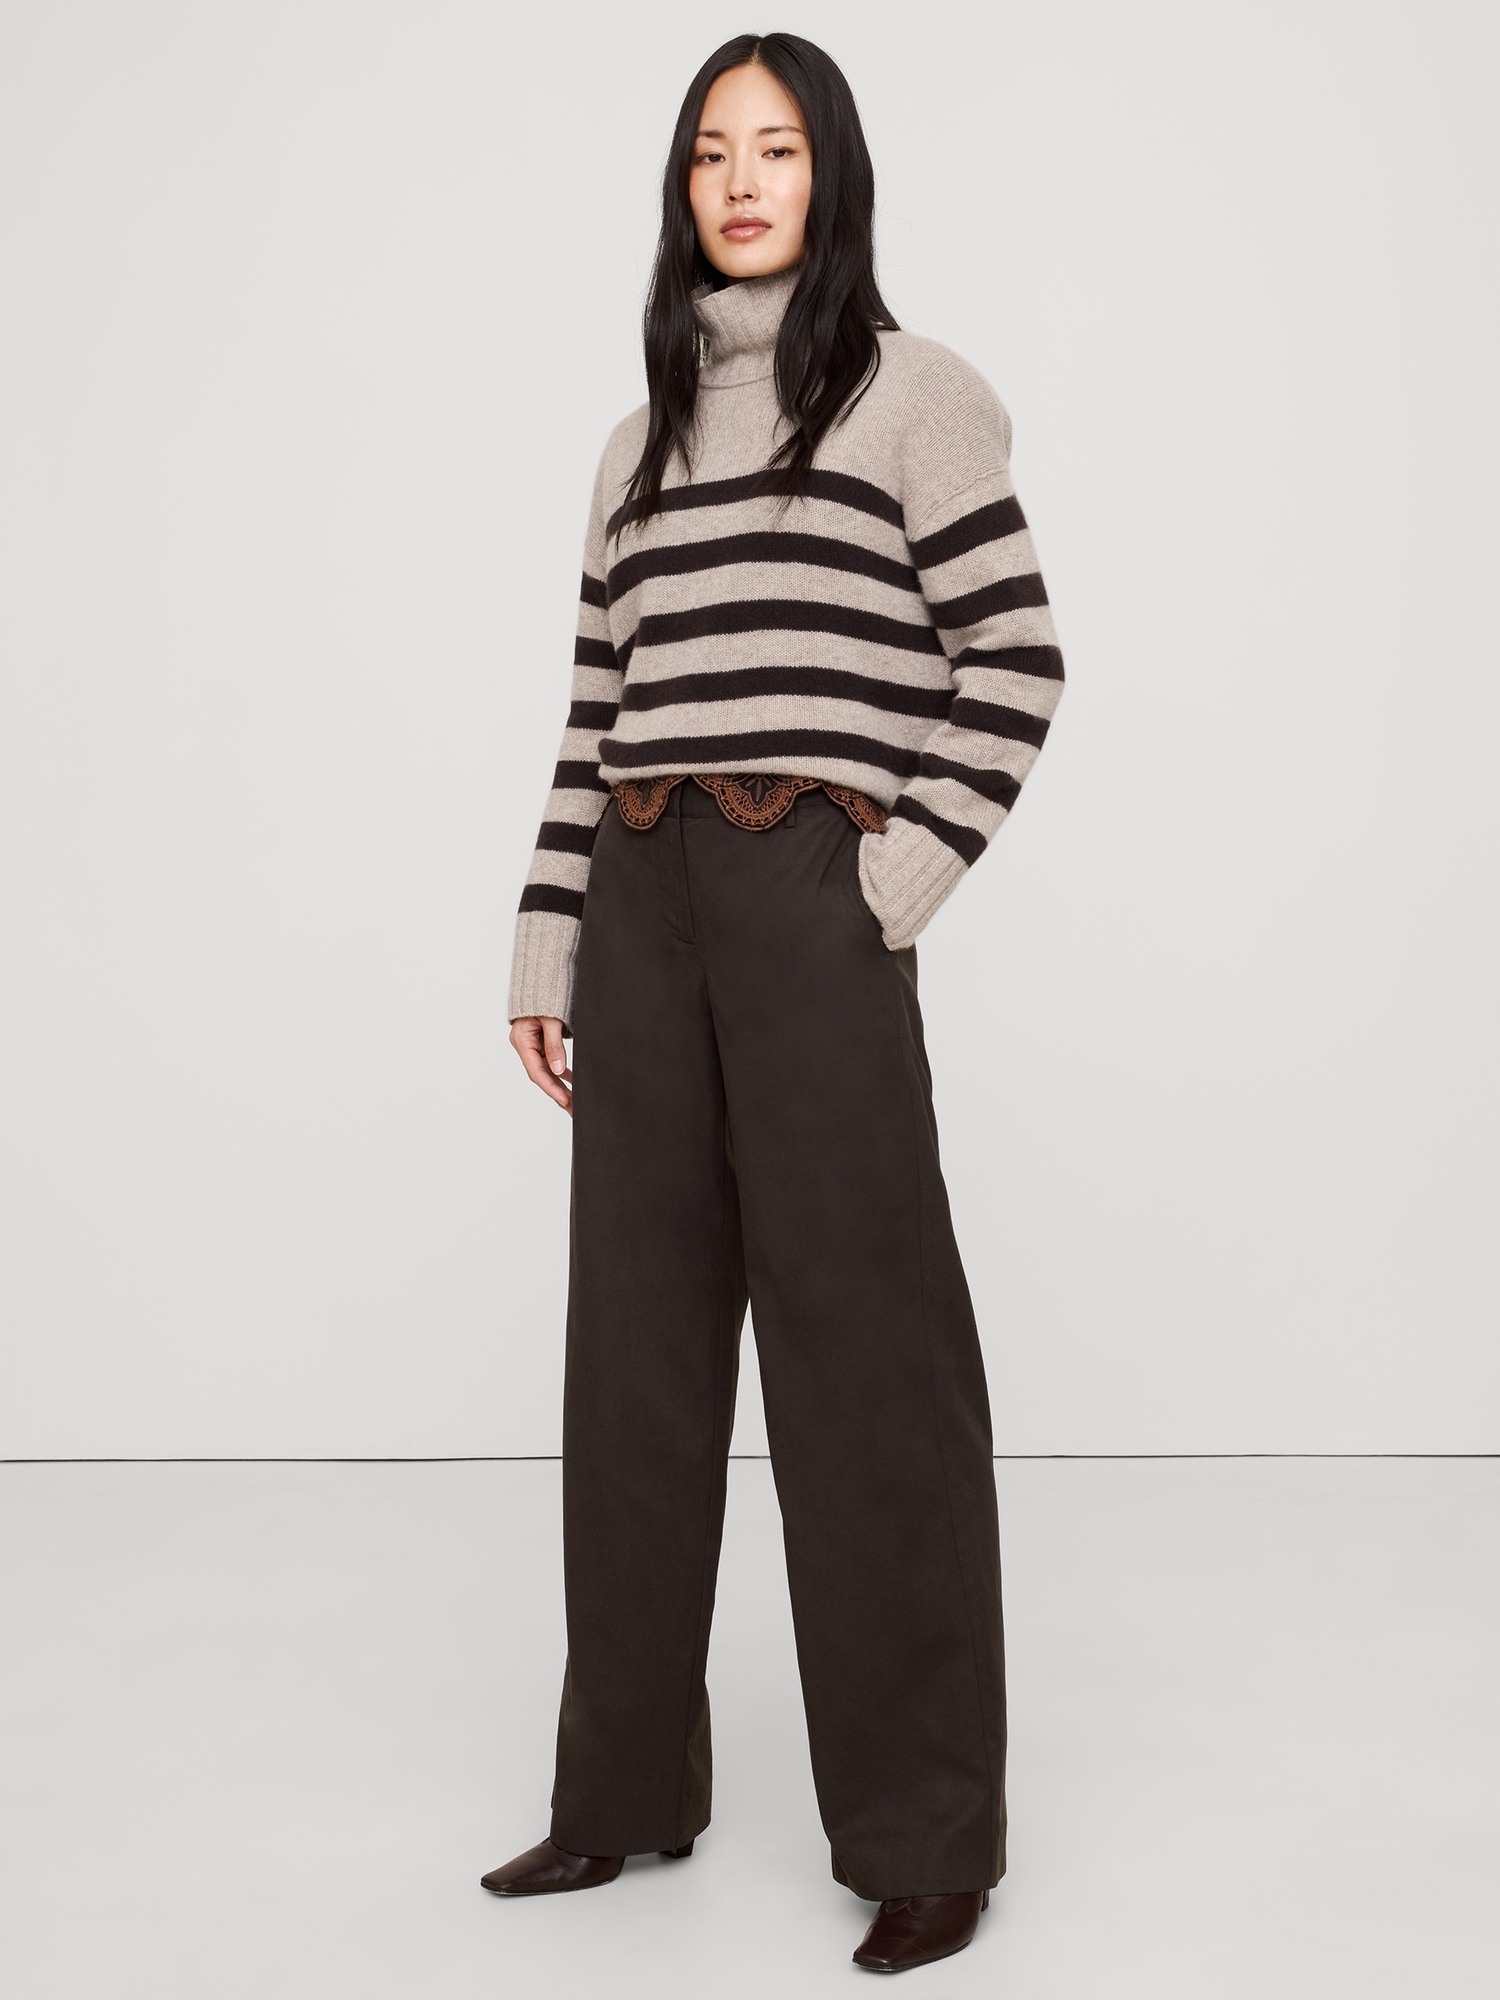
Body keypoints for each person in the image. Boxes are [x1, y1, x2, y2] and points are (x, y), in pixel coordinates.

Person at [485, 30, 1064, 1976]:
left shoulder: (913, 394)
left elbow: (1017, 659)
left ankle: (927, 1834)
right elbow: (596, 716)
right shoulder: (635, 444)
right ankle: (620, 1797)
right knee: (635, 1365)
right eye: (713, 153)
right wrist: (549, 940)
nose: (742, 182)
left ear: (835, 177)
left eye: (779, 148)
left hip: (813, 892)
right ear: (684, 187)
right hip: (641, 899)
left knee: (865, 1368)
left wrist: (886, 884)